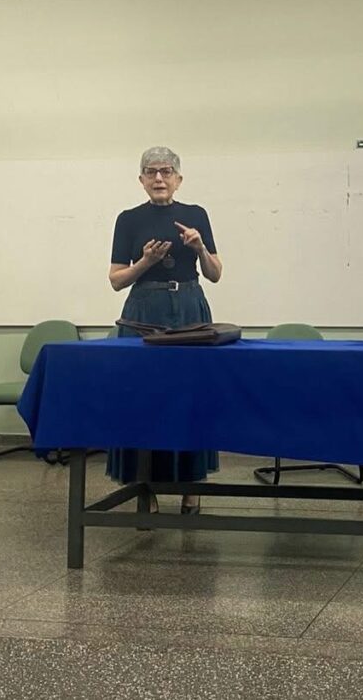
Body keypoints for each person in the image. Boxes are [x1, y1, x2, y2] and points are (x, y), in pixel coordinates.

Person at [108, 146, 223, 514]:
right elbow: (116, 280)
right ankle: (145, 488)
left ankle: (191, 488)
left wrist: (200, 248)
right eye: (152, 172)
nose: (159, 178)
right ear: (141, 180)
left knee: (191, 396)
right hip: (145, 310)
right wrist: (146, 261)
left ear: (178, 179)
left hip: (189, 308)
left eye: (166, 171)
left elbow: (215, 273)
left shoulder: (196, 215)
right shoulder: (128, 219)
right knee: (143, 398)